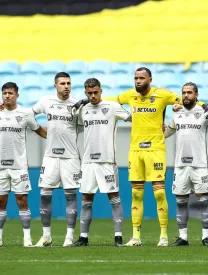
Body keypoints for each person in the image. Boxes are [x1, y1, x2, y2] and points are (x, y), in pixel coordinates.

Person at [74, 67, 208, 246]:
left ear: (150, 79)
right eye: (136, 78)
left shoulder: (163, 95)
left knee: (160, 193)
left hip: (156, 149)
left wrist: (205, 105)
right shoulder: (130, 95)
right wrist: (85, 100)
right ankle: (136, 237)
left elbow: (187, 99)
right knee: (136, 194)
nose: (138, 81)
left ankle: (163, 236)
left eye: (141, 78)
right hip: (135, 151)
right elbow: (106, 100)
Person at [0, 82, 47, 248]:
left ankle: (27, 239)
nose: (7, 96)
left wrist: (56, 139)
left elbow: (39, 130)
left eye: (10, 93)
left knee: (22, 200)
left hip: (19, 166)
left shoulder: (25, 113)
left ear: (17, 95)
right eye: (4, 93)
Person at [71, 78, 130, 247]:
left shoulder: (112, 107)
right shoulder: (82, 110)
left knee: (114, 198)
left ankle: (118, 237)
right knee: (86, 198)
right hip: (88, 161)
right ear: (85, 93)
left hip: (107, 161)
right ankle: (83, 238)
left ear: (101, 91)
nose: (93, 96)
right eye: (89, 93)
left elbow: (133, 118)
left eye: (95, 92)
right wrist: (79, 103)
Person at [164, 82, 208, 246]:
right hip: (180, 165)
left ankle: (206, 237)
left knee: (203, 201)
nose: (186, 95)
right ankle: (183, 237)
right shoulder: (177, 113)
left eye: (189, 93)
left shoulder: (203, 112)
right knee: (181, 201)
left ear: (196, 95)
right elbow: (166, 133)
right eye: (183, 93)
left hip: (199, 164)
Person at [33, 72, 81, 247]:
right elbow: (28, 116)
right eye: (62, 83)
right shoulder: (46, 101)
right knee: (45, 194)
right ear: (55, 85)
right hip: (51, 156)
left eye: (68, 83)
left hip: (71, 157)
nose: (66, 86)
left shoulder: (76, 105)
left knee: (71, 195)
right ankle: (46, 236)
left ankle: (69, 237)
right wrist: (40, 130)